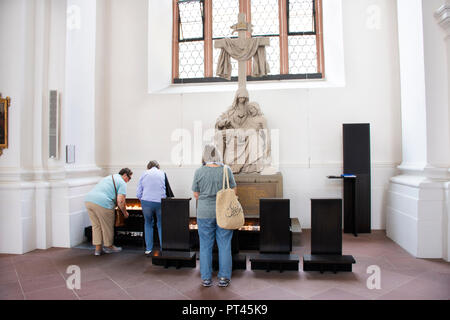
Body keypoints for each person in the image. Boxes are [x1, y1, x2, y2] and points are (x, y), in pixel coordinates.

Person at [192, 144, 236, 287]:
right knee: (224, 244)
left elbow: (196, 194)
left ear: (204, 156)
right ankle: (223, 278)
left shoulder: (199, 171)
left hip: (204, 212)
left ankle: (206, 278)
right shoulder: (226, 169)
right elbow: (233, 191)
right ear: (217, 155)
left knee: (205, 245)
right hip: (224, 212)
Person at [85, 168, 132, 256]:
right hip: (103, 203)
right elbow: (121, 201)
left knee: (96, 226)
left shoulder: (108, 177)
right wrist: (125, 213)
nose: (128, 181)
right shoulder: (122, 182)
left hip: (88, 200)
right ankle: (109, 246)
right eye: (129, 178)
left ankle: (98, 249)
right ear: (125, 175)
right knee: (107, 226)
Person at [136, 160, 170, 255]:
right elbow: (166, 188)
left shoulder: (144, 173)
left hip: (146, 201)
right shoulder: (162, 173)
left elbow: (139, 191)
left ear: (148, 166)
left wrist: (141, 199)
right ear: (158, 166)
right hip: (160, 201)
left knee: (148, 223)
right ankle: (163, 247)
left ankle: (148, 249)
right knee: (160, 224)